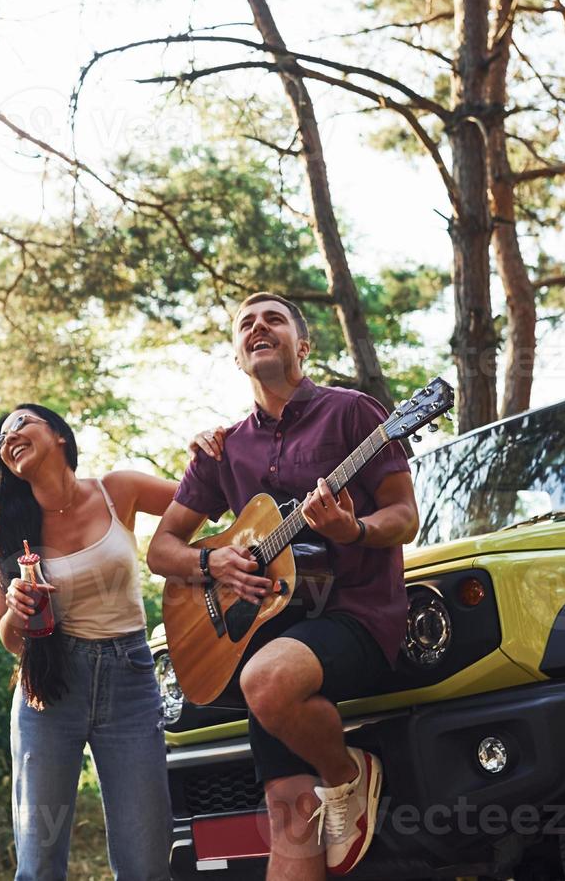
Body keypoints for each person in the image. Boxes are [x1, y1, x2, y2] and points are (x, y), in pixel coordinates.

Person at [148, 293, 420, 879]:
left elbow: (404, 515)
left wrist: (353, 527)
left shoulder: (353, 413)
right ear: (237, 356)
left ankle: (348, 774)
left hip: (356, 619)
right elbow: (161, 549)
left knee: (264, 679)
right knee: (289, 814)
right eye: (246, 324)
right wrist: (215, 562)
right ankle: (332, 782)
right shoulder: (223, 448)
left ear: (303, 344)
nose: (258, 328)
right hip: (267, 635)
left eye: (273, 319)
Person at [0, 404, 177, 881]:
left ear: (60, 436)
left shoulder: (118, 491)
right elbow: (9, 639)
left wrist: (208, 451)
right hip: (47, 692)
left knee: (147, 864)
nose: (9, 436)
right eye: (1, 437)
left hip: (130, 681)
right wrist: (18, 607)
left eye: (21, 423)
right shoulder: (7, 530)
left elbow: (204, 499)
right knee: (39, 865)